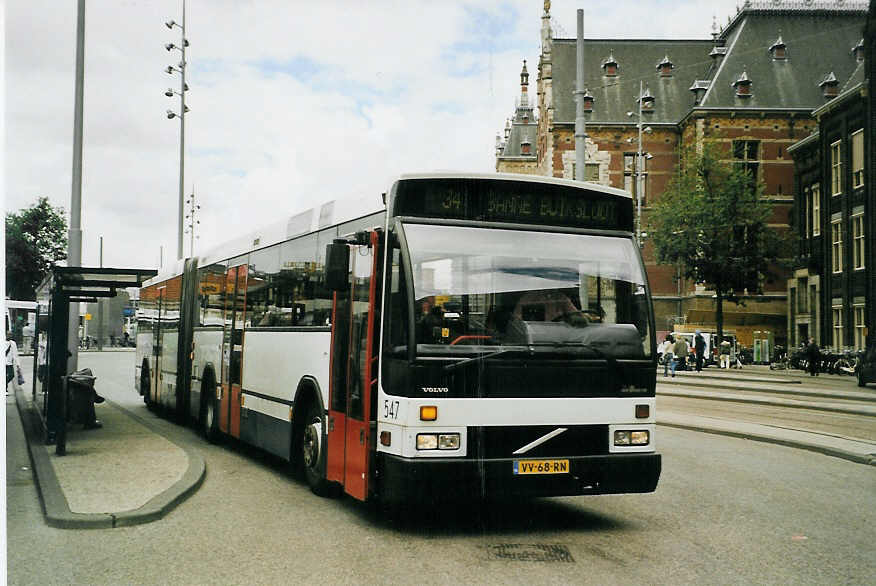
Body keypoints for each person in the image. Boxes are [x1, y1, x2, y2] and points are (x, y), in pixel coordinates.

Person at [6, 331, 24, 395]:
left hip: (9, 363)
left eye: (10, 334)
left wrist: (18, 365)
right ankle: (5, 388)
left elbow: (15, 355)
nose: (9, 336)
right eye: (8, 334)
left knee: (11, 375)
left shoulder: (13, 343)